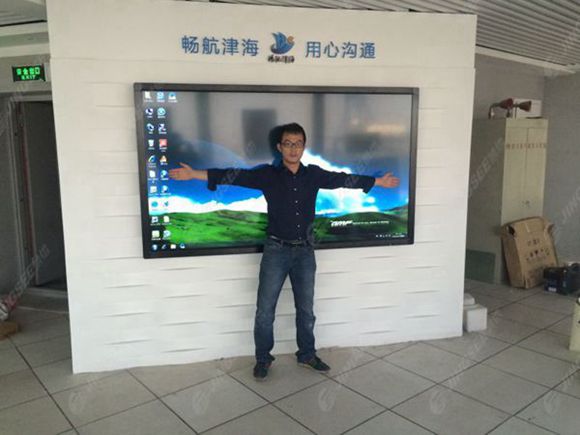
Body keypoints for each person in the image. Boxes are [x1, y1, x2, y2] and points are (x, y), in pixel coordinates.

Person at [169, 122, 399, 381]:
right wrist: (194, 174)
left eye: (298, 144)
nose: (293, 149)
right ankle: (263, 359)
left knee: (306, 310)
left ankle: (307, 355)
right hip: (275, 251)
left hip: (305, 253)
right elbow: (233, 175)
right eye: (288, 143)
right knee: (265, 311)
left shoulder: (314, 175)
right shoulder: (267, 175)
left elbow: (343, 179)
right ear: (279, 147)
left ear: (303, 147)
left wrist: (378, 181)